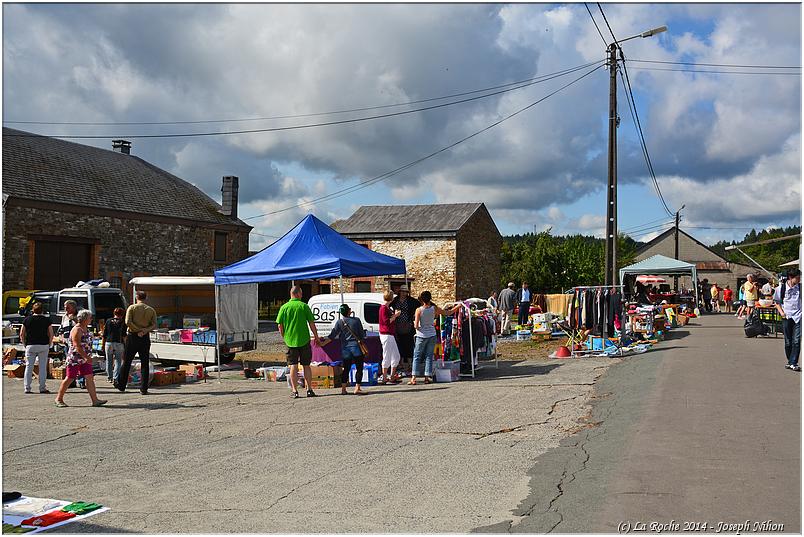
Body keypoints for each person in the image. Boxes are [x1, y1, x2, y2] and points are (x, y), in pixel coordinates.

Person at [276, 286, 321, 399]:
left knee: (293, 366)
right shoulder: (303, 306)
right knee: (306, 365)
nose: (302, 296)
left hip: (290, 341)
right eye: (301, 294)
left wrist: (284, 336)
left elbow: (279, 325)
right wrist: (316, 337)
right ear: (298, 294)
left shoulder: (284, 307)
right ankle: (309, 389)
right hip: (304, 340)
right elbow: (311, 323)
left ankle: (295, 390)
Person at [54, 309, 106, 408]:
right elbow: (76, 345)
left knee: (89, 377)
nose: (91, 319)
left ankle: (95, 400)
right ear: (84, 318)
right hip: (75, 358)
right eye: (90, 318)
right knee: (70, 378)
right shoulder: (77, 329)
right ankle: (58, 398)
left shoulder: (86, 328)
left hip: (85, 358)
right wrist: (86, 357)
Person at [409, 291, 460, 386]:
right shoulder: (434, 309)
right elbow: (448, 313)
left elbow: (416, 325)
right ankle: (427, 377)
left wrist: (416, 325)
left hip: (421, 335)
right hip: (432, 335)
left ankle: (413, 378)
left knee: (417, 356)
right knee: (429, 356)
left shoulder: (418, 310)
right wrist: (457, 307)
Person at [319, 304, 368, 395]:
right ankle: (357, 387)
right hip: (356, 348)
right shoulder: (356, 320)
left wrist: (322, 344)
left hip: (345, 349)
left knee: (346, 368)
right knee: (359, 368)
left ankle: (343, 389)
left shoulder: (339, 322)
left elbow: (332, 336)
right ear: (349, 311)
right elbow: (362, 335)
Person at [116, 291, 157, 395]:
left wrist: (137, 330)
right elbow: (154, 324)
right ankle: (144, 388)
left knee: (127, 361)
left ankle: (121, 385)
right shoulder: (151, 310)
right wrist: (144, 331)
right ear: (146, 298)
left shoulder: (132, 308)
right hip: (144, 337)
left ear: (136, 297)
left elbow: (128, 322)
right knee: (144, 362)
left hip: (133, 336)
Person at [20, 302, 54, 394]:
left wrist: (24, 344)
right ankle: (42, 388)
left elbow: (22, 334)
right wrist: (49, 343)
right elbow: (51, 333)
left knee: (29, 366)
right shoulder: (47, 320)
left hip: (30, 345)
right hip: (43, 345)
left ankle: (27, 388)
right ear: (42, 310)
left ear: (32, 310)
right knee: (42, 367)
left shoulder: (27, 320)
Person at [774, 269, 801, 372]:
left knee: (796, 340)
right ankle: (790, 361)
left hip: (798, 316)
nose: (799, 280)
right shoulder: (780, 289)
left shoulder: (801, 288)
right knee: (788, 341)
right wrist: (782, 313)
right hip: (786, 316)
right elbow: (776, 302)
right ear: (790, 277)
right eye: (797, 278)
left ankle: (794, 362)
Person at [390, 285, 419, 369]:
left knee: (409, 344)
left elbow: (418, 306)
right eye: (402, 291)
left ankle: (410, 364)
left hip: (408, 325)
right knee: (399, 345)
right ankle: (401, 363)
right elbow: (388, 306)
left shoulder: (411, 301)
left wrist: (413, 318)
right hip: (398, 325)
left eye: (405, 292)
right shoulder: (395, 300)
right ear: (400, 292)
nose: (403, 293)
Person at [378, 290, 401, 385]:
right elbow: (386, 322)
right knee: (387, 355)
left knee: (396, 355)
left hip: (390, 334)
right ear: (391, 298)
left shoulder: (388, 308)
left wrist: (394, 314)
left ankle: (391, 376)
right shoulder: (383, 308)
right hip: (386, 334)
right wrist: (395, 315)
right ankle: (384, 377)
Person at [102, 307, 126, 383]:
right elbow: (124, 335)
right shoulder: (123, 322)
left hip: (108, 343)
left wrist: (103, 344)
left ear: (114, 313)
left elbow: (104, 334)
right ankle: (116, 378)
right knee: (118, 361)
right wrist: (126, 345)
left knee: (109, 361)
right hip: (119, 343)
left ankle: (110, 377)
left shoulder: (108, 321)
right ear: (122, 314)